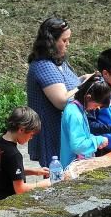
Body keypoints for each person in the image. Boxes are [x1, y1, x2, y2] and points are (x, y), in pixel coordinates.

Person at [26, 17, 80, 165]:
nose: (68, 44)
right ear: (51, 41)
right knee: (56, 177)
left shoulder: (58, 61)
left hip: (64, 130)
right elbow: (62, 101)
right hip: (52, 132)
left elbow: (68, 84)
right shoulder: (43, 66)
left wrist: (83, 79)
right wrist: (85, 86)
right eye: (64, 40)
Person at [0, 106, 51, 202]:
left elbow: (9, 170)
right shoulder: (14, 155)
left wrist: (35, 171)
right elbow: (20, 189)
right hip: (9, 203)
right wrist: (45, 183)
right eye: (31, 135)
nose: (31, 138)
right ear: (21, 130)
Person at [59, 74, 111, 168]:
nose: (96, 109)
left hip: (76, 162)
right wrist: (98, 140)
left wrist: (95, 140)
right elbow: (78, 146)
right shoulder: (75, 114)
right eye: (96, 105)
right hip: (73, 166)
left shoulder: (77, 108)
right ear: (88, 97)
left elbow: (83, 135)